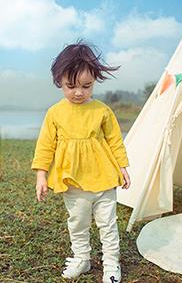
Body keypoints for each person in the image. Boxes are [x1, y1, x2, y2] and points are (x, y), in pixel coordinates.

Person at [31, 40, 131, 283]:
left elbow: (115, 140)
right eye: (71, 86)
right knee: (77, 224)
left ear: (94, 80)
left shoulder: (102, 111)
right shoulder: (55, 113)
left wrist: (122, 166)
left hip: (104, 179)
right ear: (59, 82)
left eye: (86, 86)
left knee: (108, 225)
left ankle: (111, 264)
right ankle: (82, 259)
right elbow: (46, 145)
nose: (78, 92)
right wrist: (41, 174)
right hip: (73, 182)